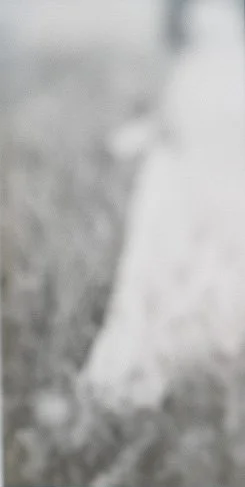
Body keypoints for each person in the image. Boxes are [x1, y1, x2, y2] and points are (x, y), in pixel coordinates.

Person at [80, 0, 245, 414]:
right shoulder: (189, 69)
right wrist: (143, 137)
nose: (210, 20)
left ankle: (215, 367)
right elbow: (172, 123)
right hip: (188, 187)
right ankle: (165, 373)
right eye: (201, 15)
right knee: (169, 267)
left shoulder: (233, 66)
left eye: (220, 13)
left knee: (221, 272)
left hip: (229, 188)